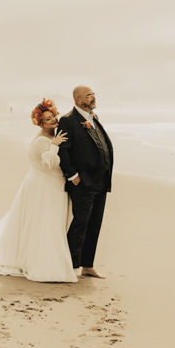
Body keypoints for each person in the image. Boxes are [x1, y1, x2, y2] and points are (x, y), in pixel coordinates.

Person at [0, 98, 78, 283]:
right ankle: (43, 264)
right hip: (45, 186)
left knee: (49, 222)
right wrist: (55, 146)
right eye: (48, 119)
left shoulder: (51, 137)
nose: (53, 120)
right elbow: (49, 165)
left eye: (53, 116)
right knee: (45, 222)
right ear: (40, 122)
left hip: (49, 184)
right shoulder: (43, 142)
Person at [57, 86, 113, 279]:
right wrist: (73, 176)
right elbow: (62, 150)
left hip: (100, 181)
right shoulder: (68, 120)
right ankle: (71, 266)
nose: (93, 97)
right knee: (80, 223)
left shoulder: (93, 117)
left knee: (94, 224)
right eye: (89, 95)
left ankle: (87, 265)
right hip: (83, 182)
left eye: (94, 94)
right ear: (77, 99)